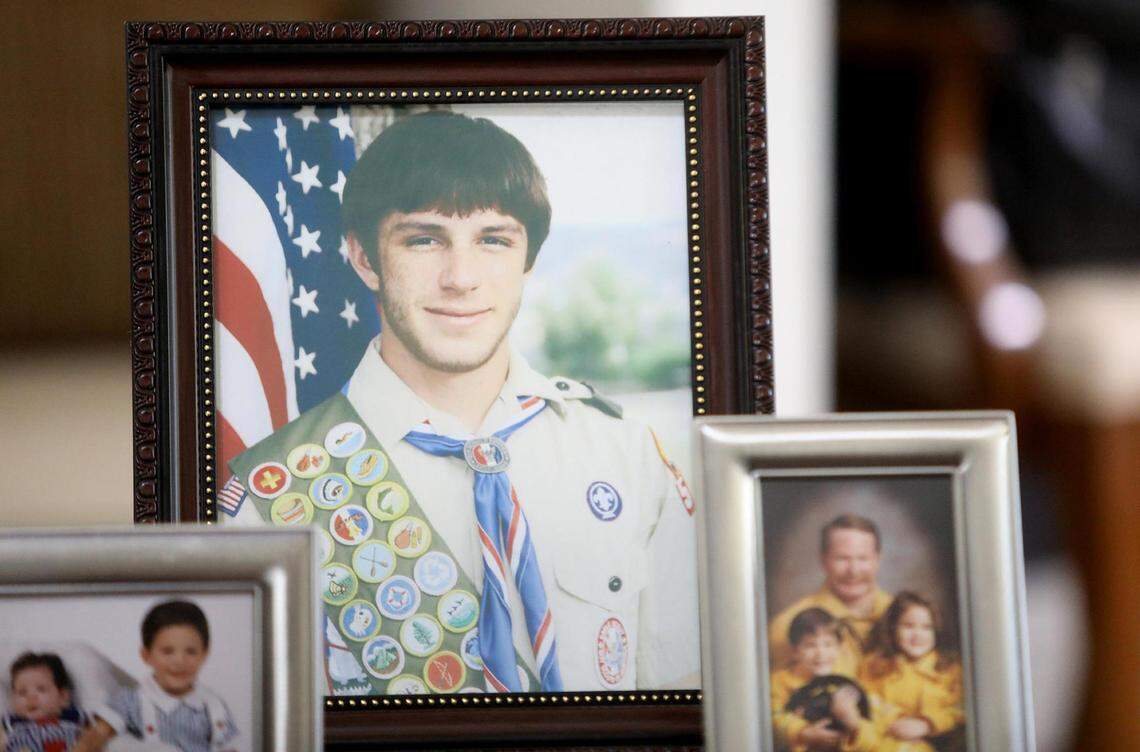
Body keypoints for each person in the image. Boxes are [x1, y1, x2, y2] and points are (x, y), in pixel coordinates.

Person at [223, 111, 698, 694]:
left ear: (528, 262)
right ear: (365, 259)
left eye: (494, 241)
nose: (461, 277)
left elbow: (687, 690)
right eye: (424, 240)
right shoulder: (273, 494)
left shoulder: (626, 456)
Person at [77, 600, 238, 752]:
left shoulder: (214, 706)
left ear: (204, 655)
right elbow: (95, 737)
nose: (179, 661)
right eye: (167, 651)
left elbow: (229, 748)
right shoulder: (131, 701)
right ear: (146, 655)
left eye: (191, 652)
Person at [768, 515, 892, 675]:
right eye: (842, 559)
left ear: (877, 560)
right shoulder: (784, 626)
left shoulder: (906, 620)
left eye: (863, 559)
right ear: (823, 560)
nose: (853, 571)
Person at [858, 592, 964, 752]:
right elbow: (867, 705)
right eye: (908, 626)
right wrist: (896, 721)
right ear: (893, 628)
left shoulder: (950, 669)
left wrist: (927, 724)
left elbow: (959, 710)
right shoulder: (874, 666)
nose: (918, 635)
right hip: (886, 743)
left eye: (927, 627)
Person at [769, 608, 877, 752]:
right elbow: (773, 719)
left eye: (828, 645)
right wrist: (802, 732)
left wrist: (854, 723)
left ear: (838, 648)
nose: (821, 653)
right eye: (810, 645)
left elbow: (872, 725)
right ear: (795, 651)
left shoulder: (846, 683)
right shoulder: (779, 682)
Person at [2, 652, 92, 752]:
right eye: (22, 692)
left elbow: (94, 737)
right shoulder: (12, 723)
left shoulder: (74, 717)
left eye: (41, 689)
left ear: (63, 697)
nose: (31, 697)